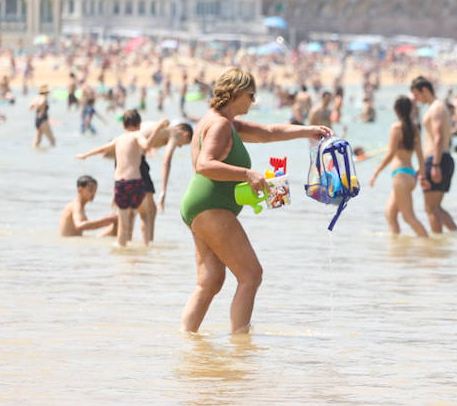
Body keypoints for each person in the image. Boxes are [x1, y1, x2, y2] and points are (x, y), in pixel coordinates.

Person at [178, 67, 330, 334]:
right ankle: (241, 346)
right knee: (251, 275)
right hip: (212, 205)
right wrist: (247, 174)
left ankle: (186, 341)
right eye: (250, 95)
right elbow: (205, 164)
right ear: (235, 93)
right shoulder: (221, 124)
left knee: (210, 280)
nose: (253, 101)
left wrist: (309, 130)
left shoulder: (222, 121)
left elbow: (268, 132)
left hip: (198, 206)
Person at [78, 109, 170, 247]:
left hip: (119, 184)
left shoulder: (118, 139)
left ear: (123, 125)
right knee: (144, 215)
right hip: (134, 182)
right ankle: (146, 248)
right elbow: (147, 146)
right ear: (139, 124)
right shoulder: (136, 135)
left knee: (123, 221)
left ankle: (122, 252)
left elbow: (102, 149)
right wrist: (158, 127)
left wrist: (85, 155)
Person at [369, 95, 429, 237]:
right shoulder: (414, 128)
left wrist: (376, 172)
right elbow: (420, 155)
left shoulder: (396, 128)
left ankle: (429, 246)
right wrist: (422, 176)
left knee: (408, 217)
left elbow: (390, 154)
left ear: (396, 110)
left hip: (400, 176)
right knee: (390, 213)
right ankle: (397, 250)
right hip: (410, 175)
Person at [410, 76, 457, 233]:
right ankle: (456, 235)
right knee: (436, 207)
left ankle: (436, 248)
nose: (416, 99)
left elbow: (438, 138)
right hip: (439, 158)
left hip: (438, 159)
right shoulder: (437, 107)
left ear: (424, 90)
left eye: (417, 95)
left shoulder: (436, 108)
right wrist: (423, 164)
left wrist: (435, 165)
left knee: (430, 208)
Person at [31, 84, 56, 148]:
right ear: (46, 92)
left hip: (37, 120)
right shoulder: (44, 98)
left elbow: (30, 106)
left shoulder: (37, 97)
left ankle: (33, 154)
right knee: (52, 140)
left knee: (37, 141)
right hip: (43, 121)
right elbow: (41, 103)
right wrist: (40, 108)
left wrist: (37, 106)